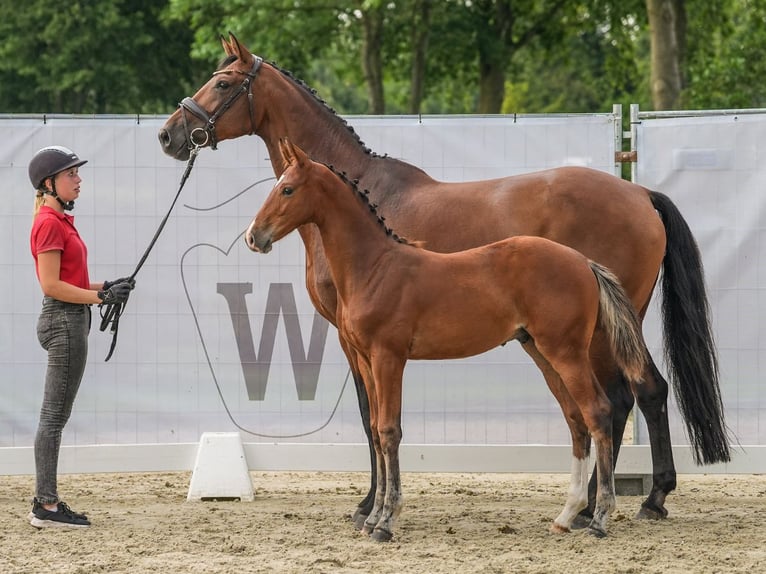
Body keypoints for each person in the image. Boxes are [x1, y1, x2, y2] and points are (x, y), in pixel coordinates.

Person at [27, 145, 135, 528]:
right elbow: (52, 285)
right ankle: (47, 506)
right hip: (64, 322)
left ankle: (47, 501)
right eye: (71, 174)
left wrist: (108, 285)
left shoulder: (59, 222)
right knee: (54, 416)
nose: (78, 179)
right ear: (49, 182)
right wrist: (101, 298)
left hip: (70, 318)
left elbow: (69, 280)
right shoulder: (48, 224)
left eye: (77, 173)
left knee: (56, 415)